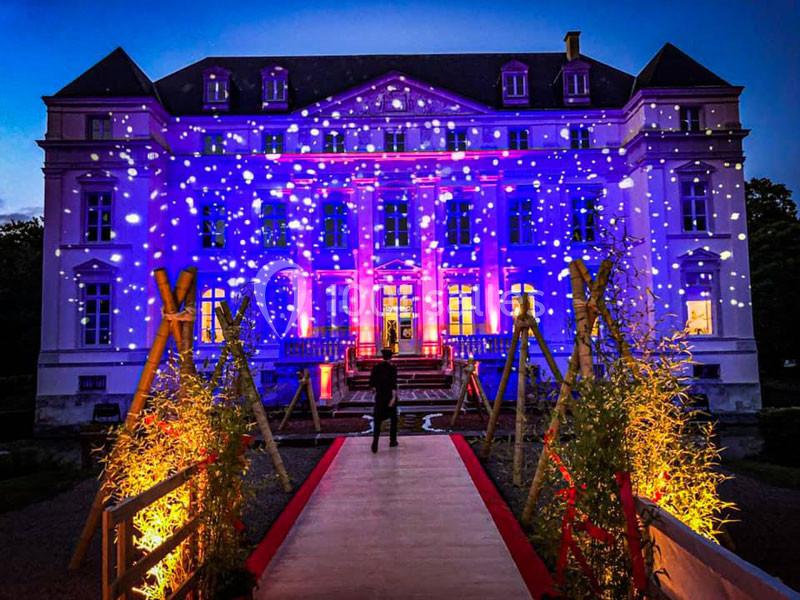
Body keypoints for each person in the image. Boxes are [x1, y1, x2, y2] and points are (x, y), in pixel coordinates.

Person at [368, 347, 399, 453]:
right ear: (391, 357)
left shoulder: (376, 367)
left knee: (377, 421)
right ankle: (392, 440)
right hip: (389, 397)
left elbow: (371, 384)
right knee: (394, 419)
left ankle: (375, 442)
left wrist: (375, 389)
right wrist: (393, 398)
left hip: (379, 398)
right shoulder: (392, 368)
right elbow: (393, 384)